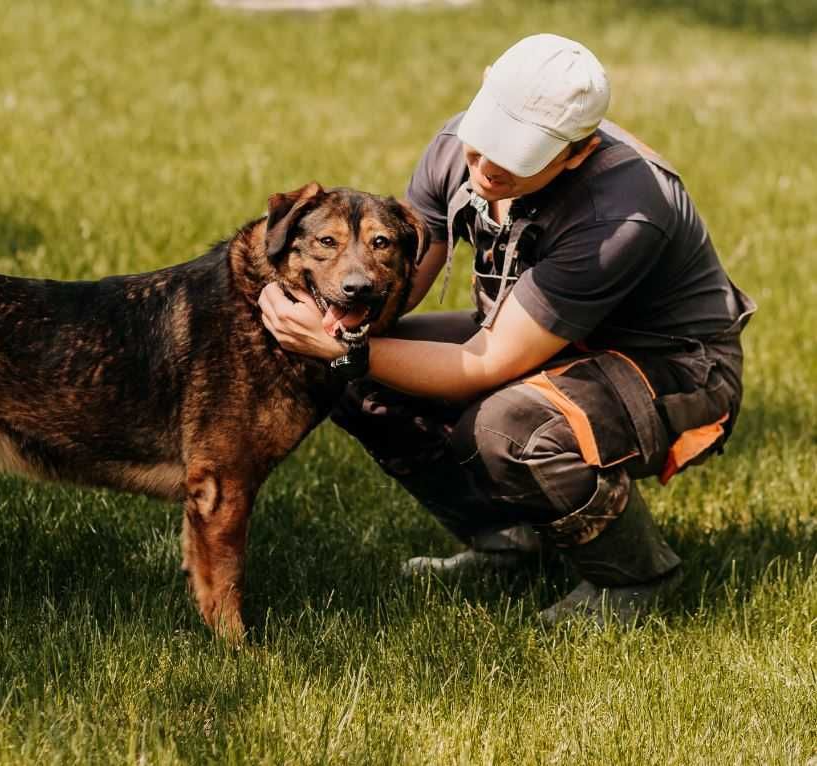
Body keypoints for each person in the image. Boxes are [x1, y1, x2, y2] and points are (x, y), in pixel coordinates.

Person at [257, 33, 755, 626]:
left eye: (518, 158)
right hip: (531, 334)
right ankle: (508, 543)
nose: (487, 169)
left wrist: (341, 350)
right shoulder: (455, 143)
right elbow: (398, 291)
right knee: (361, 387)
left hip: (674, 367)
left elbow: (484, 365)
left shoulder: (622, 209)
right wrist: (310, 306)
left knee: (509, 425)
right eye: (485, 143)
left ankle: (634, 578)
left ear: (577, 151)